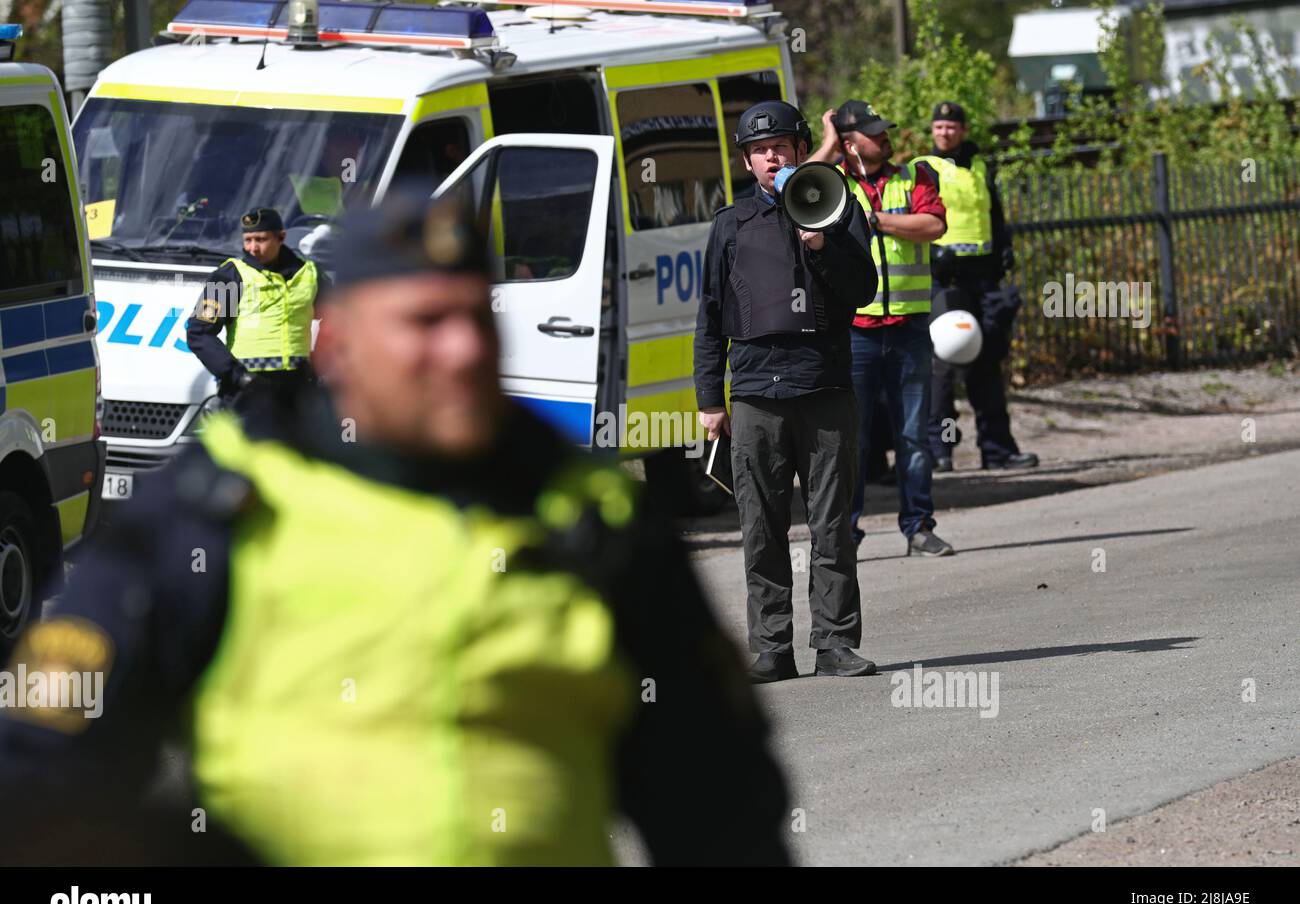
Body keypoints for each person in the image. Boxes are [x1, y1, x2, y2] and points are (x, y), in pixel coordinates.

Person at [0, 191, 791, 866]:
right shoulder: (215, 512)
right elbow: (35, 759)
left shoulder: (593, 518)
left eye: (475, 318)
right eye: (423, 322)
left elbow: (724, 809)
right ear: (341, 343)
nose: (460, 349)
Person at [695, 100, 879, 684]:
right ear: (748, 162)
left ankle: (834, 645)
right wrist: (709, 399)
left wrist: (822, 247)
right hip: (753, 394)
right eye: (758, 148)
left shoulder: (840, 206)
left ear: (801, 149)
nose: (770, 155)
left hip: (823, 387)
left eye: (779, 144)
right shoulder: (730, 223)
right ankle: (772, 648)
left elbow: (863, 290)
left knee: (831, 525)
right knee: (760, 527)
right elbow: (710, 313)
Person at [809, 101, 954, 558]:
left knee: (913, 436)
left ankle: (918, 526)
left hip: (910, 329)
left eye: (884, 130)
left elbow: (933, 224)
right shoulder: (832, 182)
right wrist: (828, 144)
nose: (885, 137)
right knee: (853, 439)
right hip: (857, 332)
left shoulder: (915, 177)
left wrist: (876, 221)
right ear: (851, 143)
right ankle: (846, 533)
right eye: (873, 132)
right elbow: (793, 190)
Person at [921, 101, 1038, 472]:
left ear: (964, 130)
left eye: (951, 127)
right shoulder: (923, 168)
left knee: (987, 363)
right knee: (945, 364)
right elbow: (915, 217)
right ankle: (941, 450)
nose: (945, 133)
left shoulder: (982, 167)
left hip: (984, 277)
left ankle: (997, 449)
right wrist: (931, 255)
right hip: (945, 278)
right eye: (939, 127)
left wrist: (1004, 248)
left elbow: (995, 215)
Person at [185, 206, 327, 405]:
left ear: (281, 237)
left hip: (297, 392)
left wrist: (321, 368)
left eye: (260, 239)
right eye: (248, 240)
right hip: (247, 391)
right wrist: (235, 375)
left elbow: (341, 320)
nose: (253, 248)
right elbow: (198, 332)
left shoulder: (310, 274)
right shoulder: (229, 275)